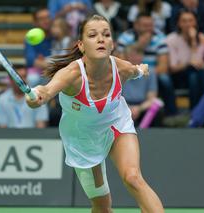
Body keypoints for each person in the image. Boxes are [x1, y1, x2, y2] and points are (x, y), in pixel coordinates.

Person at [26, 15, 164, 212]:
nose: (101, 39)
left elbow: (135, 70)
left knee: (133, 178)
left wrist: (141, 70)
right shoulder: (71, 74)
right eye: (93, 35)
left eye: (106, 35)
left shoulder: (121, 68)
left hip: (116, 124)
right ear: (81, 45)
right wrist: (36, 96)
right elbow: (46, 92)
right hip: (83, 138)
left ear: (112, 44)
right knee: (102, 207)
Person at [117, 12, 168, 127]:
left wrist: (138, 109)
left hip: (142, 105)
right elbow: (115, 97)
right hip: (123, 105)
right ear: (127, 56)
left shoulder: (151, 72)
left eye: (138, 54)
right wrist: (128, 108)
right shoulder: (121, 73)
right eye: (133, 54)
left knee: (158, 110)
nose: (136, 57)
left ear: (142, 56)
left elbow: (152, 98)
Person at [159, 9, 204, 115]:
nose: (188, 24)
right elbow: (173, 67)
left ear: (195, 22)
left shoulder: (202, 39)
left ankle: (197, 112)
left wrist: (194, 41)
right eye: (184, 21)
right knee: (196, 74)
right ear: (178, 23)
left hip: (196, 74)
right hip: (178, 76)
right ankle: (202, 110)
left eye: (191, 20)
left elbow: (197, 62)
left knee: (196, 75)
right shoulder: (171, 39)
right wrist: (192, 46)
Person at [24, 7, 52, 87]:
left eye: (48, 17)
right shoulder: (31, 37)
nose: (46, 21)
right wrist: (56, 65)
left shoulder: (58, 33)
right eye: (41, 19)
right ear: (35, 22)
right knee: (32, 79)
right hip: (39, 74)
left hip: (57, 71)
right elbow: (31, 61)